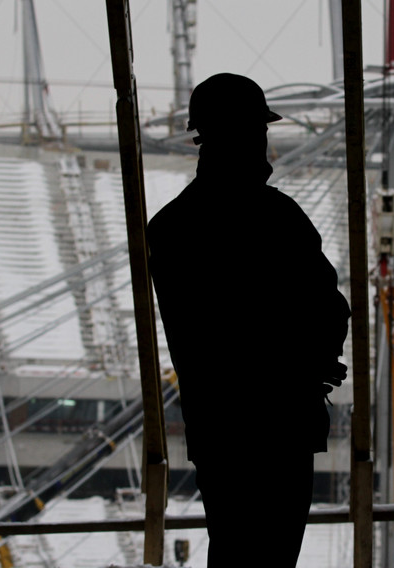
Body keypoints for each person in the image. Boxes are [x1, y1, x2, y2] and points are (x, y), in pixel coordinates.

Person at [147, 73, 350, 567]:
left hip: (218, 429)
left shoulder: (169, 227)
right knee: (273, 552)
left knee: (234, 548)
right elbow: (328, 308)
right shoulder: (278, 217)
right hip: (282, 425)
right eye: (260, 132)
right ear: (247, 135)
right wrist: (315, 366)